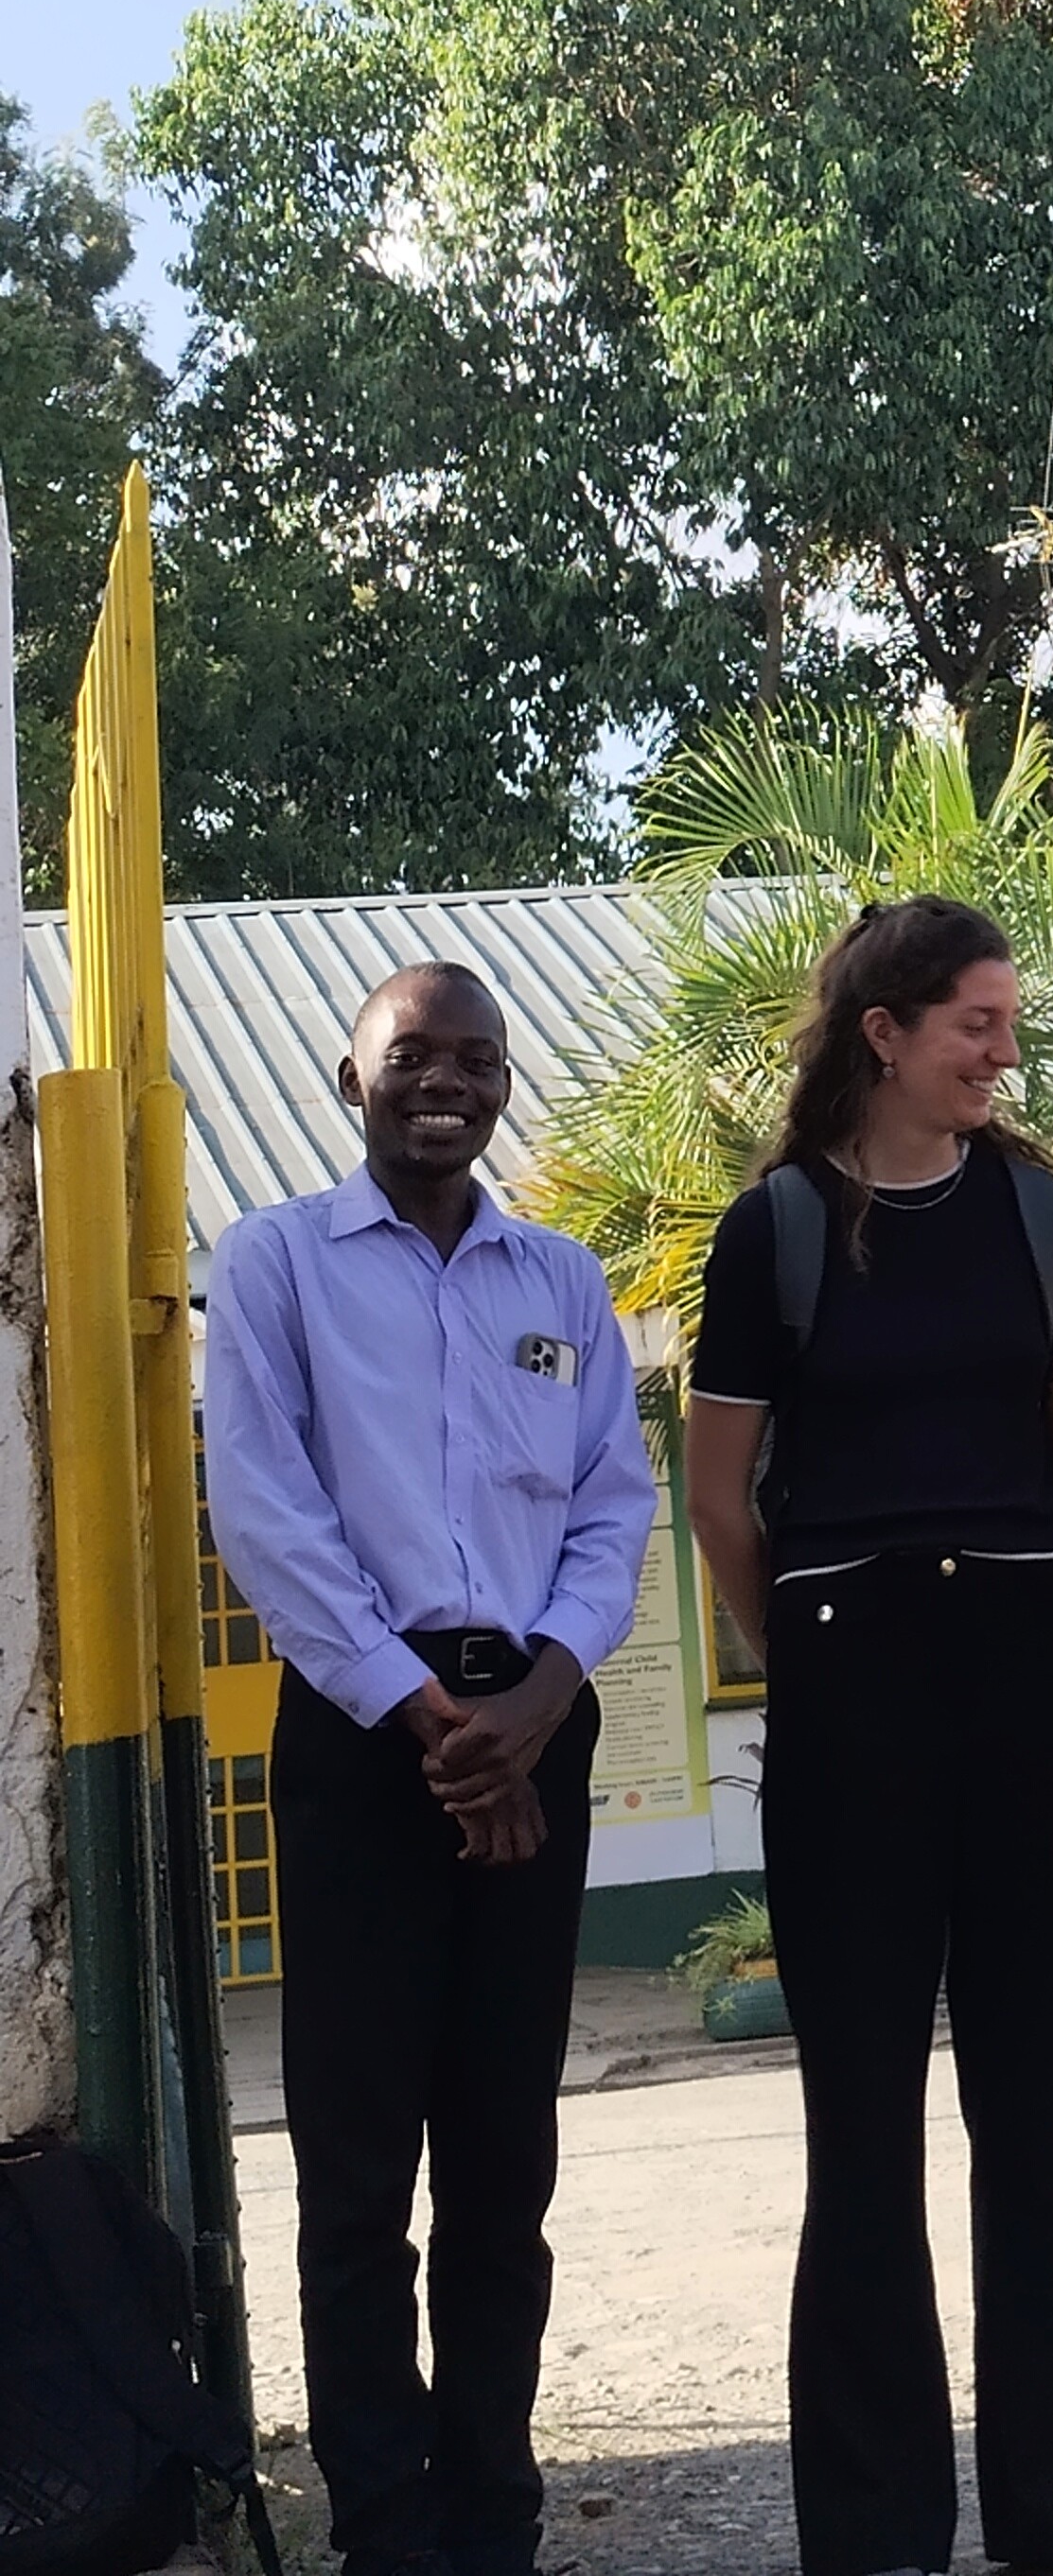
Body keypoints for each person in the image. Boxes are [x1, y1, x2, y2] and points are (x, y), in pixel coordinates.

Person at [683, 896, 1053, 2576]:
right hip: (847, 1670)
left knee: (1038, 2100)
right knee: (864, 2115)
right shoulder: (776, 1232)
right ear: (883, 1032)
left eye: (1006, 1022)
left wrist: (1025, 1600)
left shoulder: (1040, 1211)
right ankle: (879, 2532)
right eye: (975, 1022)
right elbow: (717, 1494)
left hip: (1026, 1660)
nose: (1002, 1051)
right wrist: (808, 1656)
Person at [202, 962, 657, 2576]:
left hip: (530, 1710)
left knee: (502, 2146)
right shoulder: (274, 1271)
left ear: (502, 1080)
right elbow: (267, 1513)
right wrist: (432, 1722)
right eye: (414, 1057)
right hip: (362, 1733)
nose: (446, 1083)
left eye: (476, 1057)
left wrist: (536, 1697)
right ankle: (386, 2524)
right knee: (356, 2150)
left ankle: (493, 2507)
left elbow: (614, 1504)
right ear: (352, 1077)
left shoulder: (563, 1282)